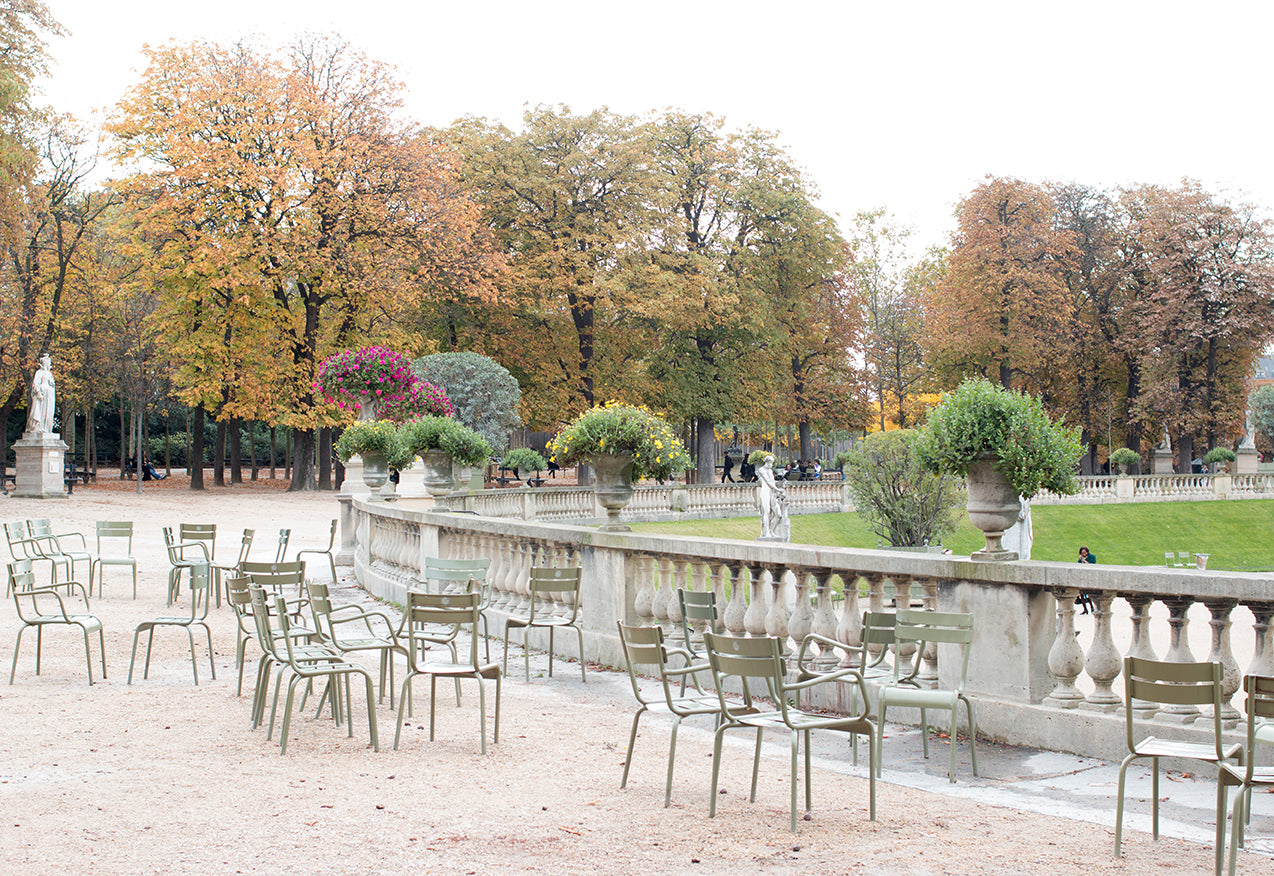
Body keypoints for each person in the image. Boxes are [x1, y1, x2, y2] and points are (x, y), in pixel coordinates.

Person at [757, 454, 789, 539]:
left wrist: (780, 485)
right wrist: (778, 489)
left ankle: (771, 530)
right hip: (765, 492)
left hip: (772, 493)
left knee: (778, 514)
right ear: (767, 462)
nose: (771, 464)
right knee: (766, 512)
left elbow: (773, 482)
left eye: (772, 462)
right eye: (770, 462)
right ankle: (766, 532)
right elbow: (768, 482)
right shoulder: (761, 470)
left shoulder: (770, 471)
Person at [25, 354, 56, 437]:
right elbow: (35, 384)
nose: (49, 363)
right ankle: (38, 427)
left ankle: (46, 428)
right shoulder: (39, 372)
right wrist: (38, 392)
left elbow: (52, 384)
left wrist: (52, 383)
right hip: (42, 395)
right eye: (48, 362)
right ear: (45, 362)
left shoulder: (50, 374)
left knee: (48, 411)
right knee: (40, 411)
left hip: (49, 395)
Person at [1076, 546, 1096, 615]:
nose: (1084, 554)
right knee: (1081, 594)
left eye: (1084, 552)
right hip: (1082, 577)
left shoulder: (1092, 557)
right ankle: (1085, 609)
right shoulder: (1080, 559)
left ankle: (1092, 607)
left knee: (1088, 594)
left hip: (1089, 577)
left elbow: (1092, 565)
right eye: (1082, 553)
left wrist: (1084, 561)